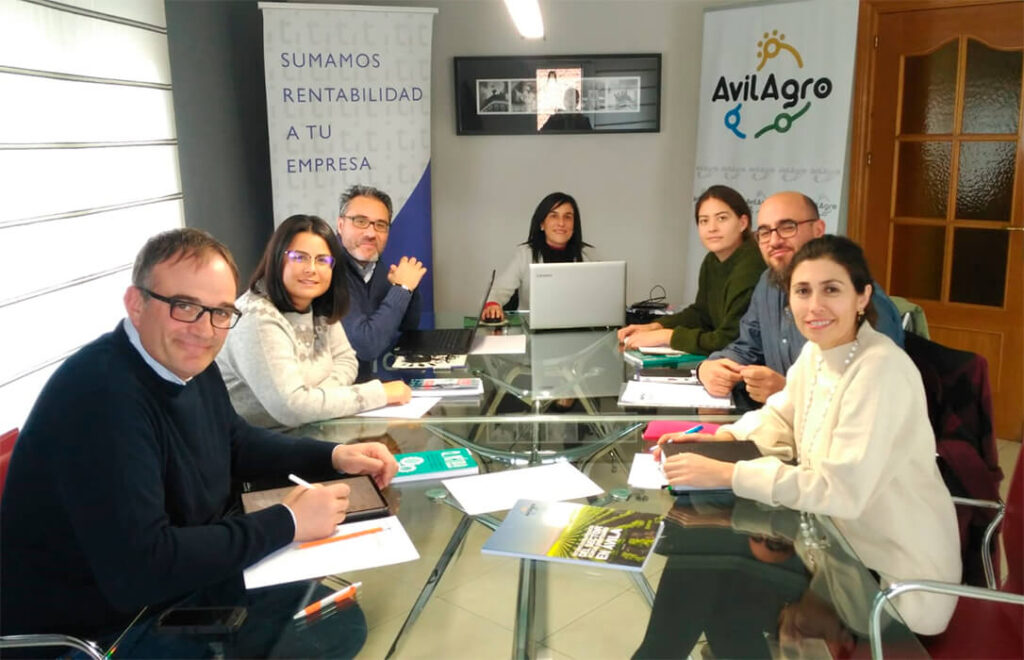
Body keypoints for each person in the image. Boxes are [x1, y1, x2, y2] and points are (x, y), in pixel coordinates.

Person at [0, 228, 399, 647]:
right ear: (136, 304)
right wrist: (288, 521)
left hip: (174, 586)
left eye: (221, 312)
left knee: (335, 619)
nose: (205, 330)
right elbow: (141, 569)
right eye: (185, 306)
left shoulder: (186, 361)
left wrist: (334, 456)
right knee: (325, 636)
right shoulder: (99, 396)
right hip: (100, 631)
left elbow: (235, 441)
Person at [655, 235, 961, 635]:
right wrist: (723, 441)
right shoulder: (818, 352)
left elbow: (839, 490)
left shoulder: (880, 369)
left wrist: (729, 474)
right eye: (802, 291)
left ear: (862, 296)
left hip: (894, 585)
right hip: (836, 553)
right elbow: (782, 417)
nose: (814, 306)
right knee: (706, 577)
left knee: (724, 597)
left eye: (831, 289)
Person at [696, 191, 904, 403]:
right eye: (765, 232)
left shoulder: (860, 299)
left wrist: (788, 391)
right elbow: (747, 347)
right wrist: (708, 368)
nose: (774, 241)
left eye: (787, 227)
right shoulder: (769, 282)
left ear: (818, 230)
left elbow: (874, 394)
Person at [217, 214, 411, 428]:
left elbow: (346, 360)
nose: (311, 269)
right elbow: (292, 408)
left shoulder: (317, 305)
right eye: (299, 257)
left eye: (322, 260)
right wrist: (379, 393)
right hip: (258, 441)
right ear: (277, 258)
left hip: (307, 429)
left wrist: (314, 399)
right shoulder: (255, 317)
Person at [618, 185, 766, 354]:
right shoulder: (712, 260)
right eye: (704, 221)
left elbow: (731, 339)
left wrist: (668, 337)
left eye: (722, 218)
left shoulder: (751, 265)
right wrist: (656, 326)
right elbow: (702, 314)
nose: (712, 228)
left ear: (742, 223)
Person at [336, 185, 425, 381]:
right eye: (360, 221)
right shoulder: (329, 271)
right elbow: (367, 346)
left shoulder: (376, 267)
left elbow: (405, 327)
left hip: (373, 383)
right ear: (340, 225)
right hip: (339, 391)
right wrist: (402, 288)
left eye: (380, 225)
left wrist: (410, 287)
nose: (371, 233)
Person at [481, 191, 593, 323]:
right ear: (542, 224)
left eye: (567, 217)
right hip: (532, 329)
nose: (561, 223)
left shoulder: (587, 255)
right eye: (554, 216)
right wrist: (492, 304)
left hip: (578, 328)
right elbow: (499, 289)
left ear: (574, 224)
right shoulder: (525, 254)